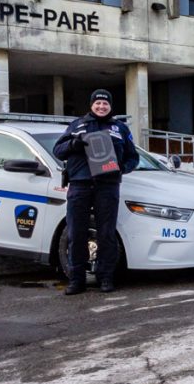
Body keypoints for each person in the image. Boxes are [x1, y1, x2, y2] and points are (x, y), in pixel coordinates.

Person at [52, 89, 140, 295]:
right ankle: (76, 280)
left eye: (105, 104)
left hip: (108, 186)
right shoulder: (77, 125)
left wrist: (122, 168)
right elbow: (58, 151)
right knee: (76, 233)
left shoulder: (120, 128)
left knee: (106, 233)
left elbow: (133, 157)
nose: (101, 107)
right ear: (91, 105)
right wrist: (74, 144)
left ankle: (105, 277)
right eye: (98, 103)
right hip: (79, 185)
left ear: (110, 106)